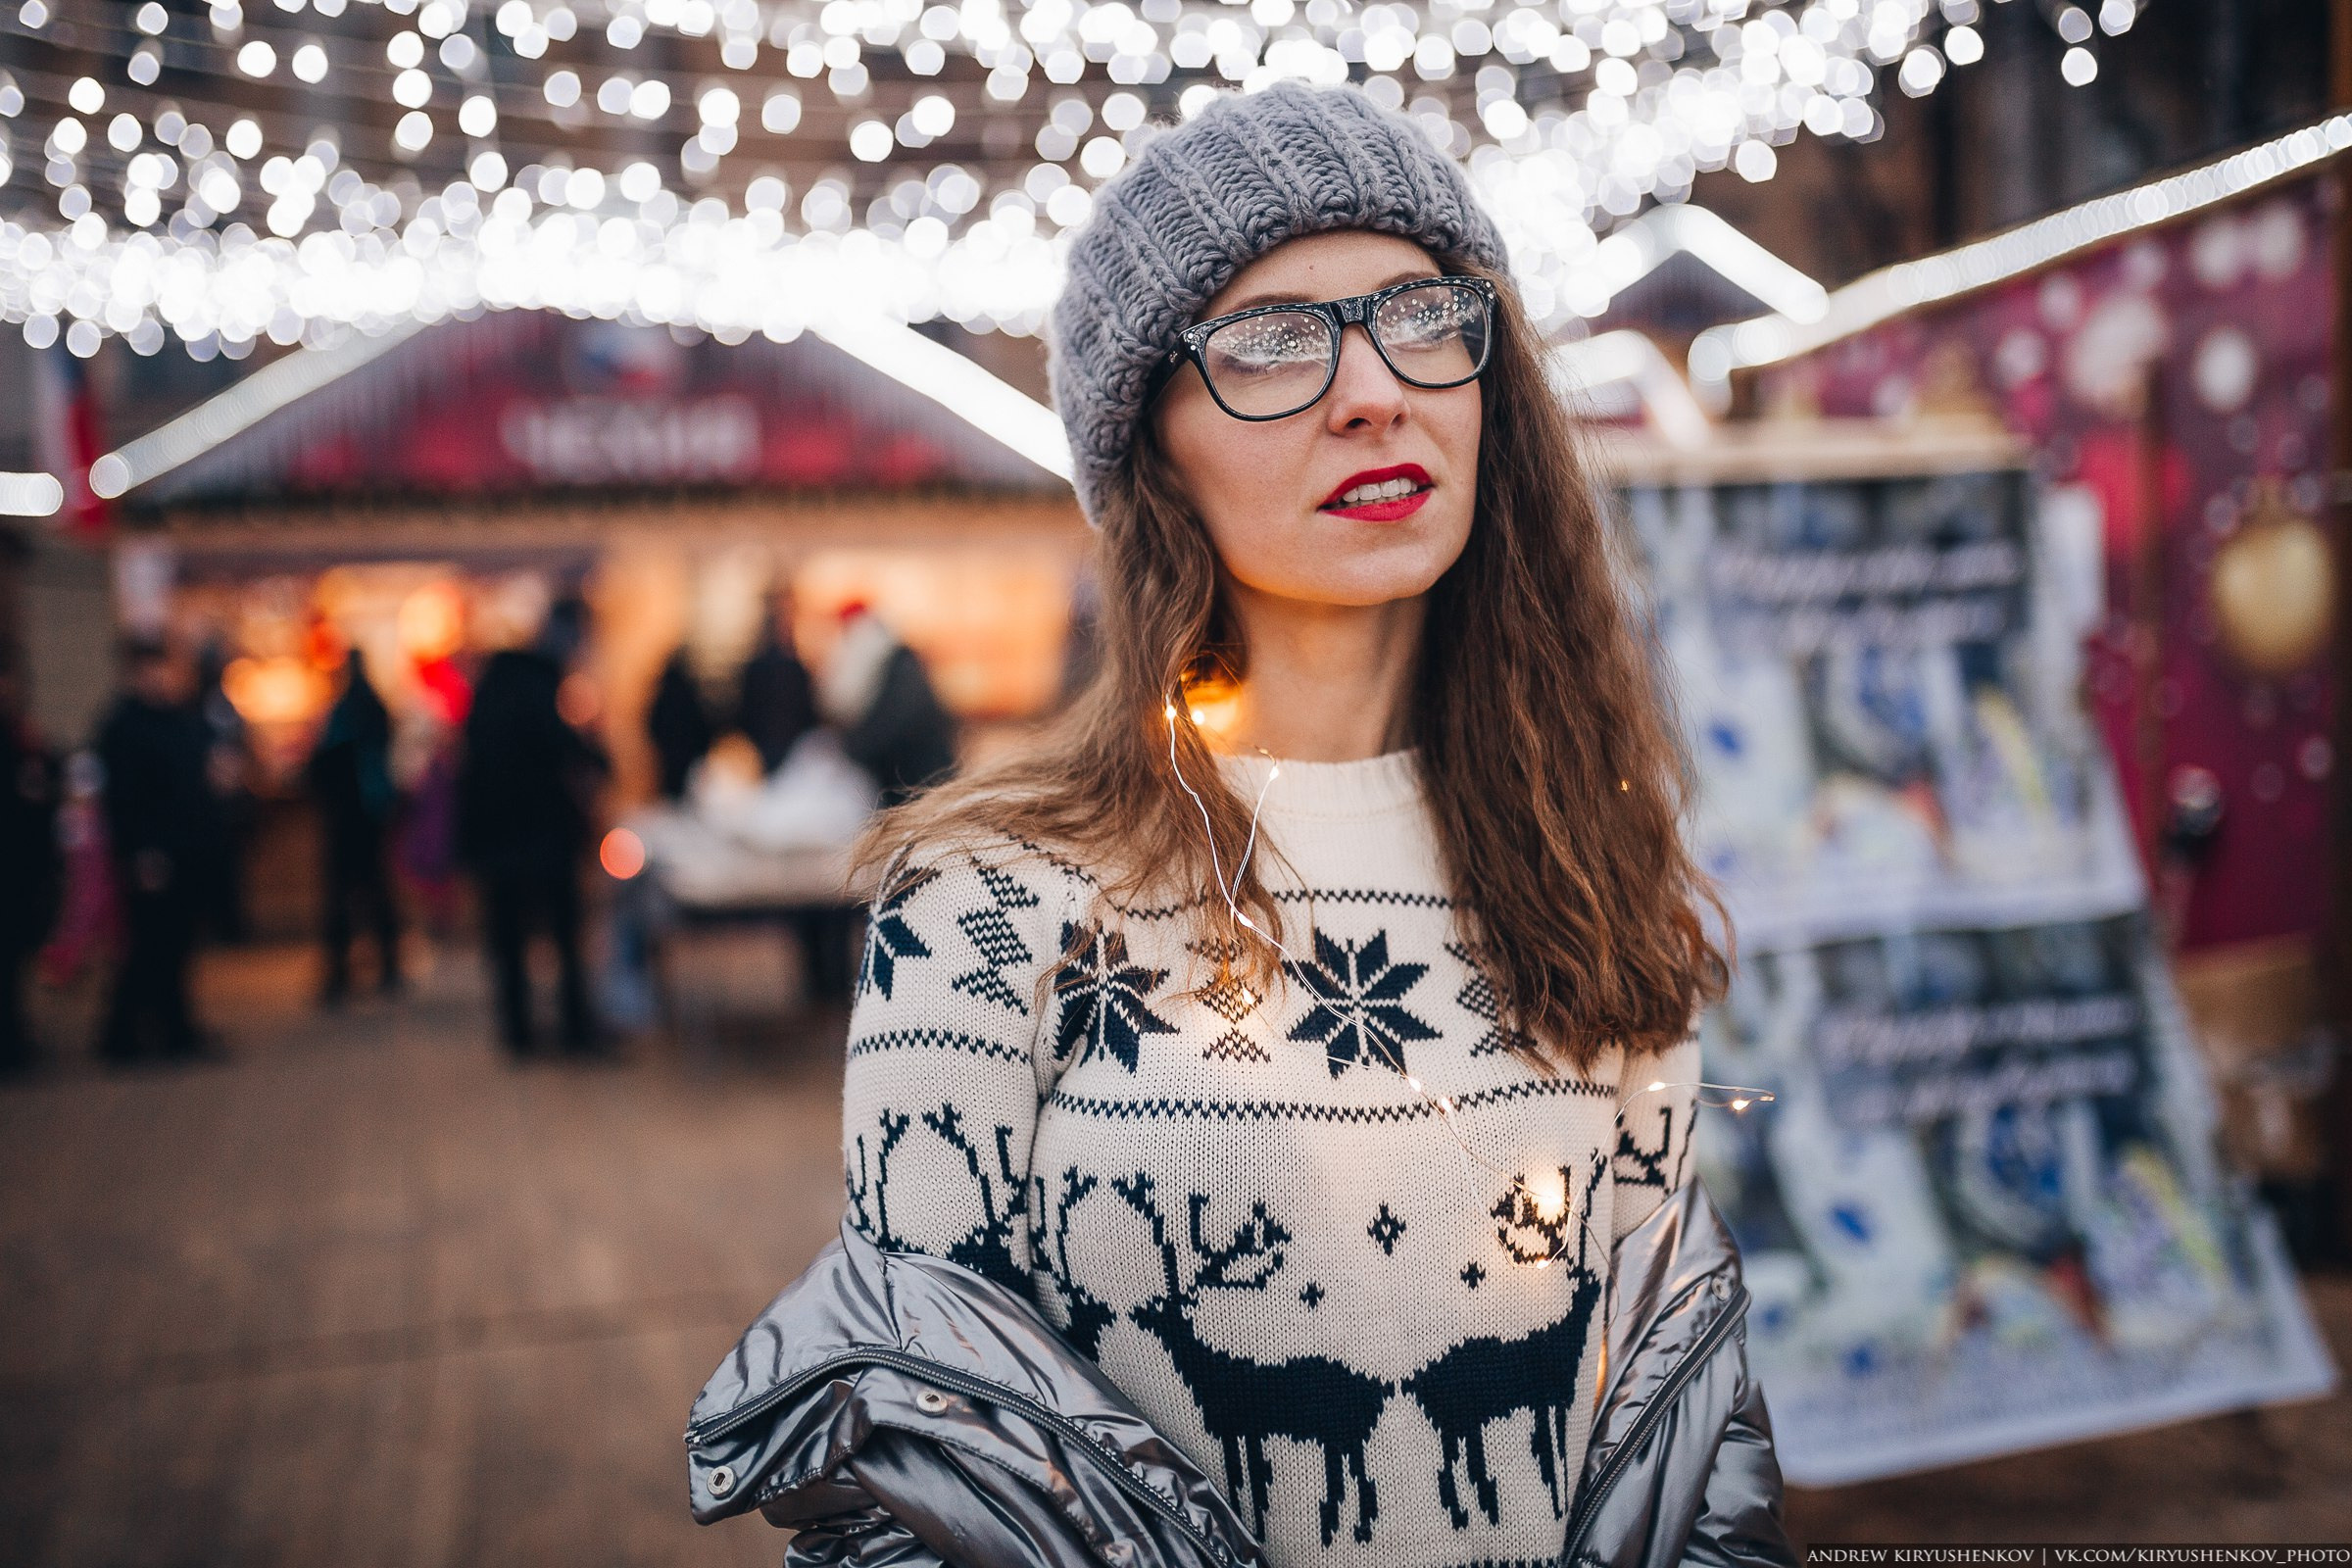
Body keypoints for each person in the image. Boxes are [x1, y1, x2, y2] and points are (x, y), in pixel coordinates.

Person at [828, 84, 1789, 1564]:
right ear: (1151, 454)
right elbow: (906, 1492)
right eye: (1272, 341)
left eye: (1420, 315)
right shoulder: (983, 904)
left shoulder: (1594, 869)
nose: (1373, 390)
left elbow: (1671, 1436)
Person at [457, 597, 609, 1057]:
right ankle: (573, 1028)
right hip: (537, 834)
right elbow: (558, 750)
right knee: (562, 929)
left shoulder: (496, 682)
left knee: (508, 937)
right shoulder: (537, 684)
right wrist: (595, 756)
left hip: (497, 836)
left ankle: (519, 1031)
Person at [93, 635, 219, 1064]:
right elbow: (124, 800)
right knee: (149, 947)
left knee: (174, 944)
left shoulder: (173, 718)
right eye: (150, 669)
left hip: (184, 850)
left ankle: (173, 1026)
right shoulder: (124, 727)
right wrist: (141, 851)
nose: (159, 677)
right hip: (153, 854)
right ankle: (125, 1034)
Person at [308, 648, 402, 1004]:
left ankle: (339, 973)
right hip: (371, 814)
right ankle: (388, 966)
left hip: (346, 817)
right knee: (377, 891)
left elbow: (324, 766)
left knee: (342, 896)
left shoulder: (343, 714)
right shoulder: (375, 707)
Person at [819, 602, 956, 808]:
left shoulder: (897, 666)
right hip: (906, 777)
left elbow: (892, 723)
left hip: (919, 778)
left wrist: (853, 749)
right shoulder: (888, 662)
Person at [0, 660, 62, 1075]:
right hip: (12, 858)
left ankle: (13, 1036)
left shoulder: (21, 735)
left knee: (14, 956)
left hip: (20, 865)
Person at [733, 598, 814, 776]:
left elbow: (745, 707)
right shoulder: (793, 668)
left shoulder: (758, 666)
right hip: (784, 742)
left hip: (768, 741)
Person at [646, 647, 714, 801]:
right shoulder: (689, 695)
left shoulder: (665, 696)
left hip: (671, 754)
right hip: (685, 754)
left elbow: (654, 723)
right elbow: (701, 725)